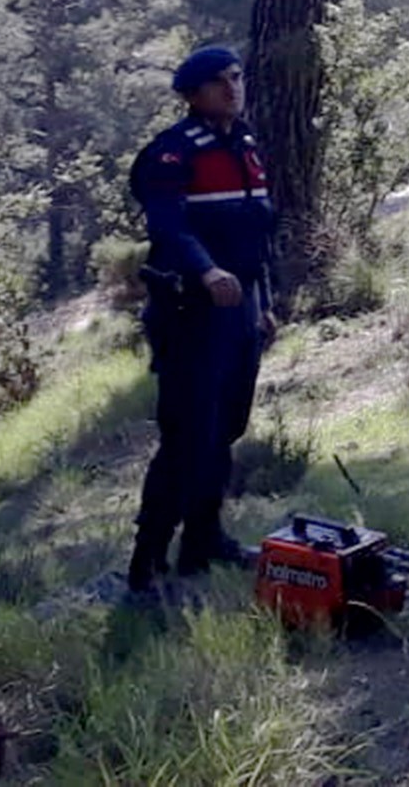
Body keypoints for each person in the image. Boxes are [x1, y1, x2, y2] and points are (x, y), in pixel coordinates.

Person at [125, 45, 275, 595]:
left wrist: (266, 301)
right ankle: (147, 561)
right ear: (192, 94)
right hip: (190, 313)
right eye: (217, 82)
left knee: (225, 431)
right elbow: (168, 225)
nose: (231, 89)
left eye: (236, 77)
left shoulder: (248, 147)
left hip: (242, 314)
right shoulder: (171, 153)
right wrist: (207, 271)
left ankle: (203, 543)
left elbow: (258, 234)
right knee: (187, 435)